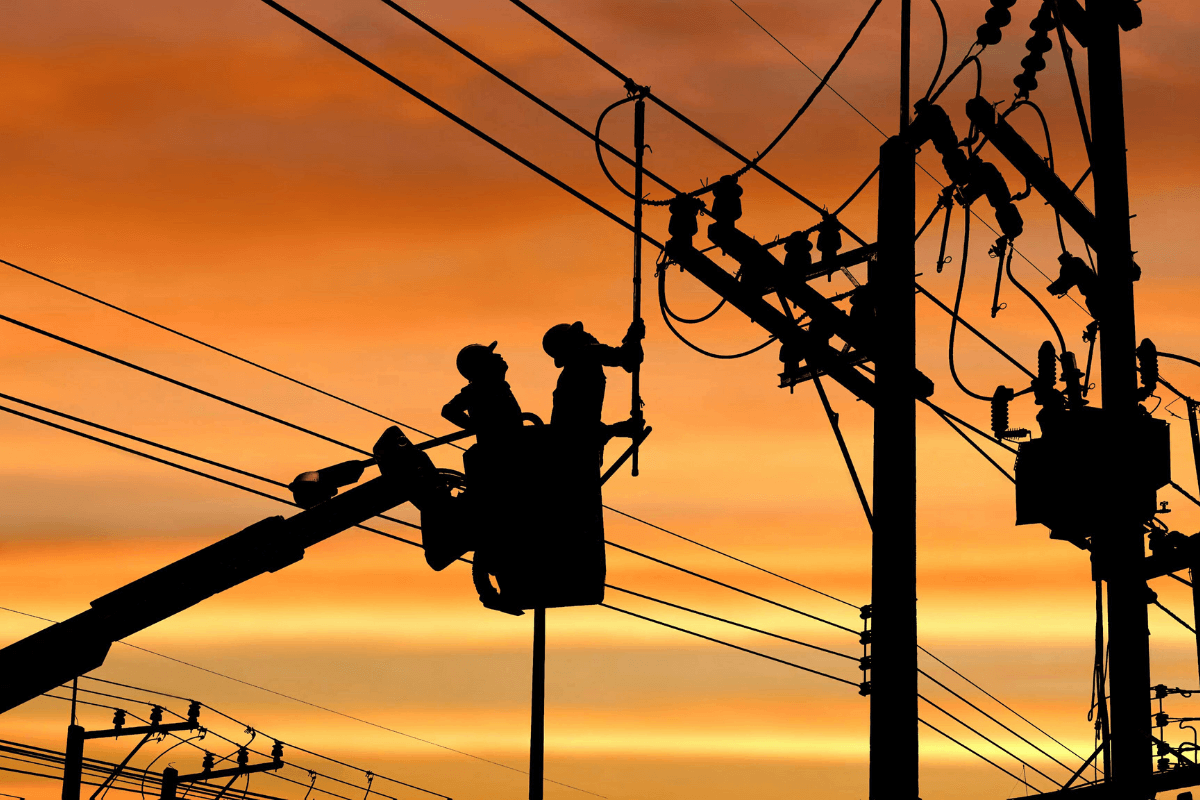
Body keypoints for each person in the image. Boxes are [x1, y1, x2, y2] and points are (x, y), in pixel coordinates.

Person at [541, 319, 645, 442]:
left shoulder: (571, 371)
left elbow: (582, 426)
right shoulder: (586, 354)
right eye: (580, 333)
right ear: (573, 341)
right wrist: (633, 336)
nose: (588, 334)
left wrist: (619, 429)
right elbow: (629, 359)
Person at [441, 341, 523, 442]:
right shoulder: (478, 390)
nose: (498, 355)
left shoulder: (499, 387)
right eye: (490, 356)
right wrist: (477, 427)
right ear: (482, 366)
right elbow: (449, 410)